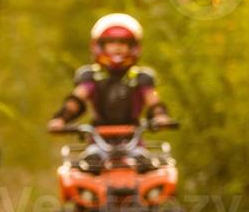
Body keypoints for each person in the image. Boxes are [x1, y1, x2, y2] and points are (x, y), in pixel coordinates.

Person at [46, 13, 175, 132]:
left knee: (153, 158)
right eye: (111, 42)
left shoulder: (141, 77)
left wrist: (160, 116)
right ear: (101, 46)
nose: (117, 47)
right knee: (86, 158)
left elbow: (154, 101)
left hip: (133, 143)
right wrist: (61, 118)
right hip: (98, 143)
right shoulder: (92, 76)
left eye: (123, 42)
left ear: (132, 47)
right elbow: (76, 101)